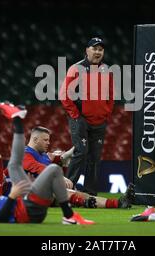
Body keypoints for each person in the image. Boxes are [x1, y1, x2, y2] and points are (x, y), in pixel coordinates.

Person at [0, 102, 95, 225]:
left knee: (14, 164)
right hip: (28, 210)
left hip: (26, 203)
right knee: (53, 170)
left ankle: (17, 120)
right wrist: (12, 196)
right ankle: (68, 216)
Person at [0, 104, 135, 209]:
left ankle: (118, 203)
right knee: (69, 192)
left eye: (49, 140)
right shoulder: (25, 154)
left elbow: (62, 156)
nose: (49, 143)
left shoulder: (44, 156)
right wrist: (60, 176)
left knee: (76, 193)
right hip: (20, 195)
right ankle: (92, 203)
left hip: (40, 193)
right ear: (35, 139)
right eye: (45, 140)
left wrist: (81, 144)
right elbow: (37, 167)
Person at [59, 37, 114, 195]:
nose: (98, 52)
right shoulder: (76, 69)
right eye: (94, 48)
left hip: (99, 121)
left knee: (95, 158)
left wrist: (106, 113)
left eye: (101, 49)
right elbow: (64, 95)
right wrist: (76, 115)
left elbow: (110, 95)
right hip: (81, 119)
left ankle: (90, 193)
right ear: (87, 50)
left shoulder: (107, 70)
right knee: (81, 152)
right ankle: (66, 191)